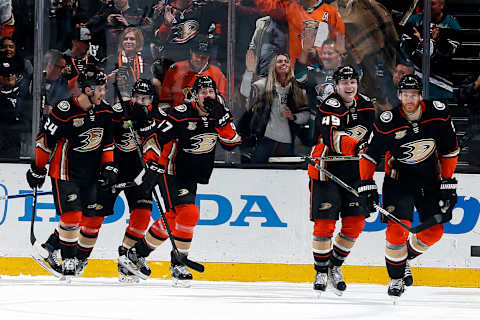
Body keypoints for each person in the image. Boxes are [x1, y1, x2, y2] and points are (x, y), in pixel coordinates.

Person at [119, 75, 241, 286]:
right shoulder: (181, 114)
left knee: (175, 218)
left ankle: (137, 253)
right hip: (172, 171)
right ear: (194, 95)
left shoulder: (220, 111)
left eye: (211, 92)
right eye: (203, 92)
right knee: (189, 213)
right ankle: (178, 263)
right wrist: (150, 163)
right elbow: (156, 138)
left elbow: (232, 143)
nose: (208, 96)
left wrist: (223, 123)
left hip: (194, 172)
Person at [358, 74, 459, 300]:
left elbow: (450, 150)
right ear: (399, 96)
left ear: (420, 95)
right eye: (405, 95)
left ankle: (403, 260)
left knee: (435, 231)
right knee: (397, 230)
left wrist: (447, 182)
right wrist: (366, 183)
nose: (409, 99)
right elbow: (370, 155)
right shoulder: (388, 121)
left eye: (413, 95)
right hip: (398, 180)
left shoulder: (438, 114)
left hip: (430, 180)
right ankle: (396, 278)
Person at [28, 67, 118, 278]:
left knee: (88, 218)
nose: (103, 94)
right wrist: (38, 169)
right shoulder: (64, 109)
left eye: (104, 89)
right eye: (100, 89)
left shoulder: (105, 111)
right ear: (87, 89)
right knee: (72, 215)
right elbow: (45, 142)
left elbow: (107, 144)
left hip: (90, 173)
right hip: (64, 171)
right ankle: (68, 260)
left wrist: (109, 166)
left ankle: (50, 246)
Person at [75, 79, 163, 282]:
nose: (142, 101)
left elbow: (154, 144)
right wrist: (106, 166)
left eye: (146, 98)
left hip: (138, 173)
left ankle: (126, 260)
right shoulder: (116, 111)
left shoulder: (154, 115)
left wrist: (152, 166)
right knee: (94, 218)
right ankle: (79, 258)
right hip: (112, 170)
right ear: (132, 96)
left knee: (142, 216)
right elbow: (103, 139)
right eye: (138, 97)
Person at [308, 65, 375, 295]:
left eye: (353, 82)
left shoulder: (366, 105)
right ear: (336, 86)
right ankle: (320, 270)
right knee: (325, 224)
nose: (349, 86)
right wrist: (357, 146)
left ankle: (334, 266)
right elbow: (331, 136)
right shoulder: (330, 105)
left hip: (355, 173)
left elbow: (373, 136)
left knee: (355, 224)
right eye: (344, 82)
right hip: (327, 171)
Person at [246, 53, 309, 163]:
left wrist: (293, 116)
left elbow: (306, 115)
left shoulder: (297, 89)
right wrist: (249, 72)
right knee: (255, 168)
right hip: (266, 138)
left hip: (288, 141)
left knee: (288, 173)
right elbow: (246, 95)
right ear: (273, 66)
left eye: (286, 61)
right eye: (280, 61)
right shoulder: (262, 85)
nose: (284, 63)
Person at [253, 0, 345, 66]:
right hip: (297, 72)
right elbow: (266, 6)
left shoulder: (331, 12)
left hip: (323, 72)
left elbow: (340, 45)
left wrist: (318, 53)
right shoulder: (290, 7)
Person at [158, 34, 227, 109]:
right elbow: (165, 100)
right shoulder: (175, 69)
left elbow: (223, 101)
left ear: (209, 56)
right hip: (179, 118)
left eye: (204, 57)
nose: (199, 60)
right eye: (197, 56)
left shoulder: (217, 73)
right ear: (191, 52)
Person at [107, 27, 152, 101]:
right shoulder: (111, 59)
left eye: (132, 39)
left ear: (138, 42)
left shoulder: (145, 62)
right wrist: (110, 79)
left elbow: (148, 82)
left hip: (139, 97)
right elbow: (102, 84)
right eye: (125, 39)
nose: (128, 41)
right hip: (116, 96)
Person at [63, 26, 103, 96]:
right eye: (85, 42)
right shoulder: (63, 59)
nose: (88, 45)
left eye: (89, 42)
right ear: (74, 42)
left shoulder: (93, 60)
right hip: (68, 98)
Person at [0, 60, 23, 159]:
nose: (9, 76)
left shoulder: (25, 92)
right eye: (4, 74)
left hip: (21, 142)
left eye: (12, 73)